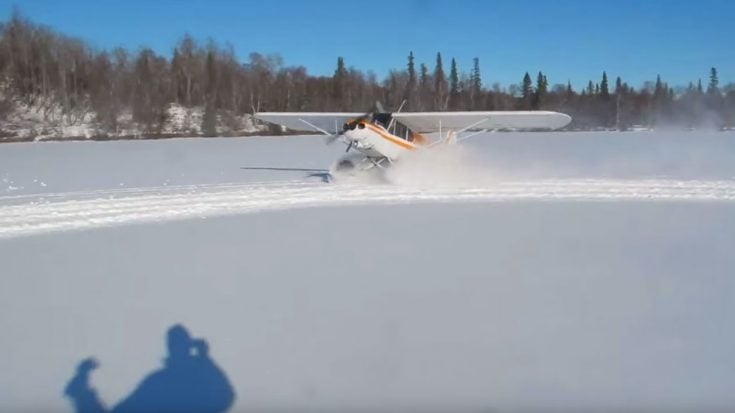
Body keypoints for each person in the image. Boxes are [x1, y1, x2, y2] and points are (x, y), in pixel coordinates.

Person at [65, 324, 235, 413]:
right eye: (175, 345)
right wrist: (82, 386)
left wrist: (205, 360)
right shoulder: (157, 383)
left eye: (181, 345)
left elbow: (224, 398)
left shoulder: (195, 384)